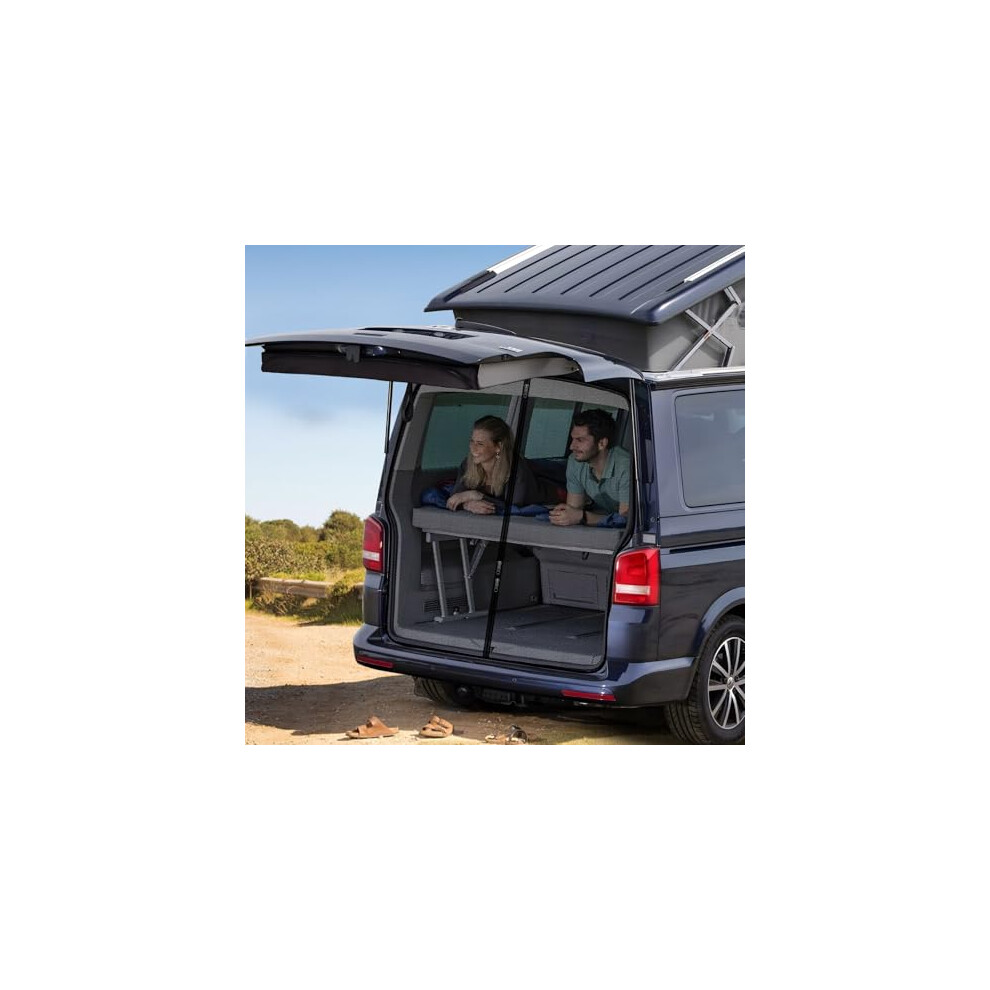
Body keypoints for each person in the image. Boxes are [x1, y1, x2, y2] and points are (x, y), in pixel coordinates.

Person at [445, 416, 543, 515]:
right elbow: (455, 498)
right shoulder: (468, 464)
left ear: (498, 447)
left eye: (480, 444)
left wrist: (476, 496)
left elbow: (514, 507)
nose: (473, 449)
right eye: (472, 441)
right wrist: (467, 504)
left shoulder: (516, 469)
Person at [548, 408, 630, 526]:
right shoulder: (575, 462)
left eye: (580, 440)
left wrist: (583, 517)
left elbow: (626, 520)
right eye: (572, 439)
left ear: (602, 443)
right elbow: (574, 510)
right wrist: (563, 516)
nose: (572, 446)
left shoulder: (626, 467)